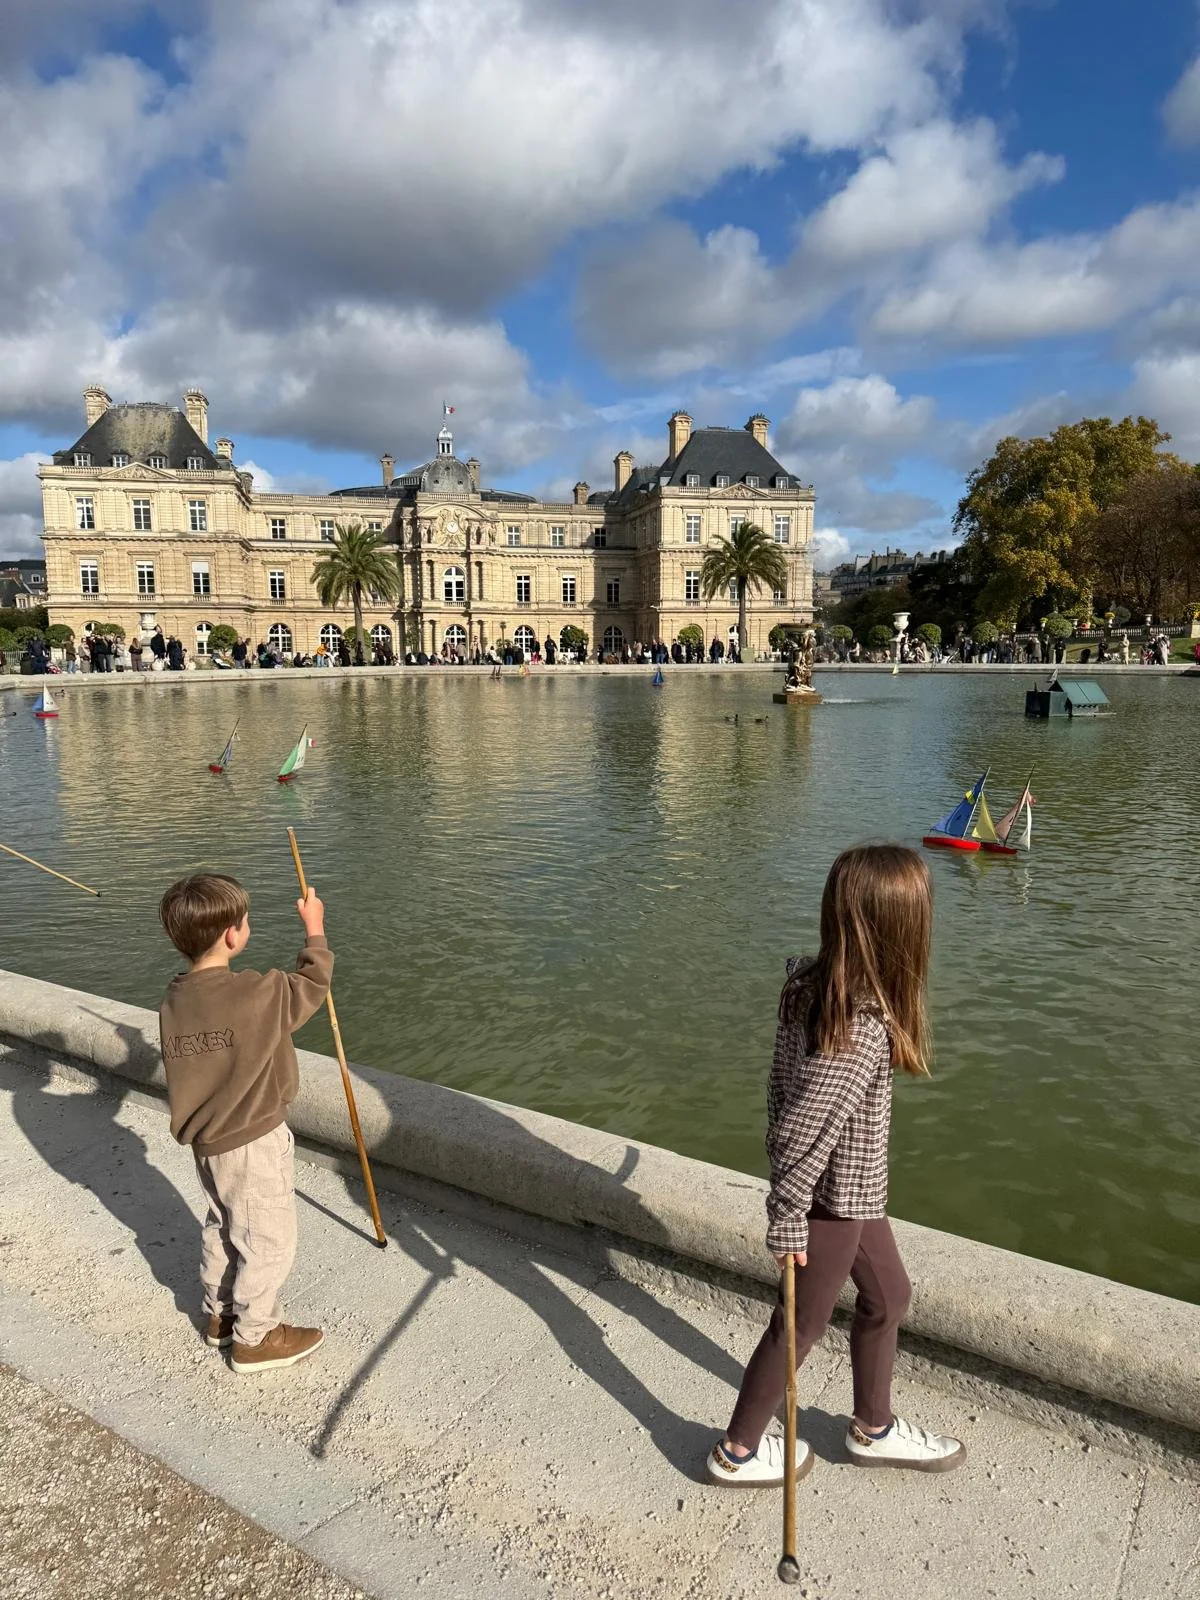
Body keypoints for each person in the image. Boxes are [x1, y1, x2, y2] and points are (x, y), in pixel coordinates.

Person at [706, 843, 966, 1486]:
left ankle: (873, 1427)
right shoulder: (862, 1029)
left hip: (852, 1190)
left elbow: (779, 1092)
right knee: (799, 1324)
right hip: (829, 1197)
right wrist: (788, 1217)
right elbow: (802, 1131)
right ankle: (738, 1449)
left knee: (889, 1296)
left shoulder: (809, 986)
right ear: (900, 930)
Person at [157, 872, 333, 1373]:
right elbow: (313, 983)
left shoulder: (175, 998)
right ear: (234, 935)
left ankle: (220, 1314)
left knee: (224, 1224)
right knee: (267, 1237)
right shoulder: (260, 991)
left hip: (208, 1141)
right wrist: (314, 930)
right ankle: (256, 1336)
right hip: (253, 1137)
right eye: (245, 920)